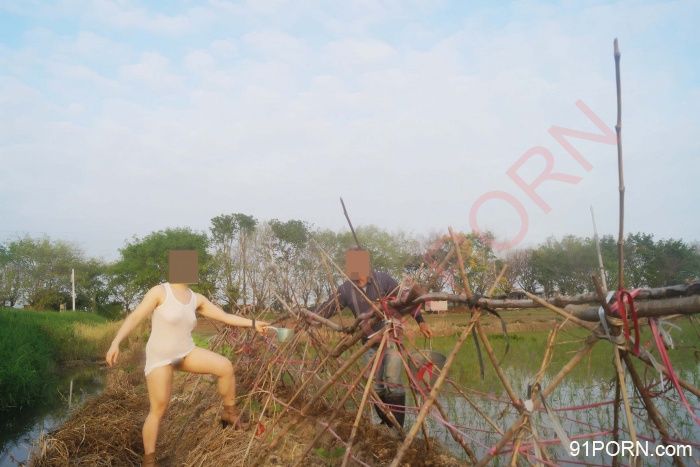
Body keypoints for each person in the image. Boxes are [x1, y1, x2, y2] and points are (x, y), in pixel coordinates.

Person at [105, 253, 269, 467]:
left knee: (225, 367)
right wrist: (116, 342)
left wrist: (253, 323)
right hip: (160, 357)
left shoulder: (196, 298)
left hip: (185, 352)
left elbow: (225, 317)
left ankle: (229, 413)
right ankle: (149, 460)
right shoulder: (160, 292)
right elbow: (135, 316)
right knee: (159, 409)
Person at [314, 248, 432, 429]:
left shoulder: (383, 280)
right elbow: (328, 308)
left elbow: (407, 301)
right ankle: (387, 422)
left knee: (392, 382)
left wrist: (421, 322)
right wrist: (312, 317)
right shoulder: (346, 289)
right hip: (368, 343)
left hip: (391, 338)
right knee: (376, 386)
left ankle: (397, 428)